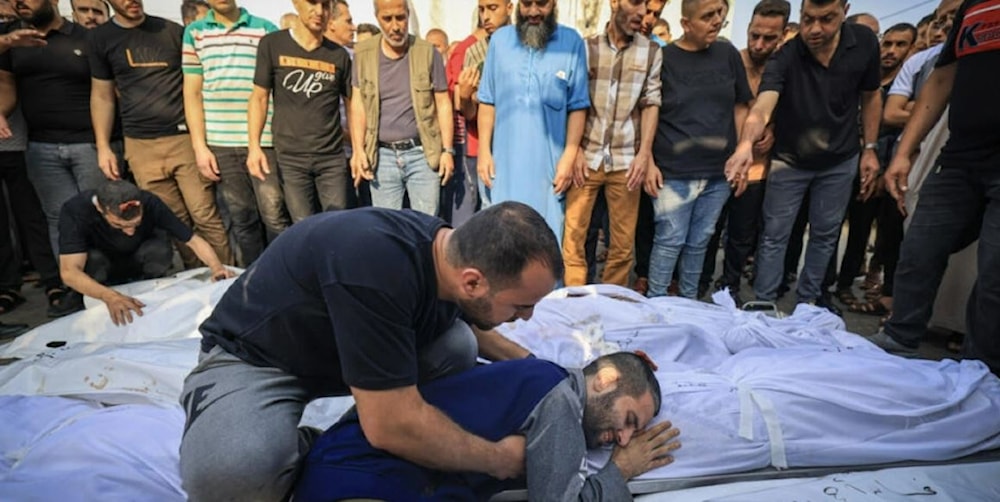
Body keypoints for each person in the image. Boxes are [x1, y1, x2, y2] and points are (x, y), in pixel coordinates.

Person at [178, 201, 562, 501]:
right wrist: (499, 459)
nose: (526, 319)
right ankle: (306, 445)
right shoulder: (376, 265)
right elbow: (390, 427)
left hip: (339, 348)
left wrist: (538, 367)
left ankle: (353, 431)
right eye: (520, 306)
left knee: (457, 344)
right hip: (257, 358)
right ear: (473, 281)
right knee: (231, 478)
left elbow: (477, 326)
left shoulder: (449, 253)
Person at [295, 353, 681, 501]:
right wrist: (622, 470)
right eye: (629, 420)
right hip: (359, 481)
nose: (625, 438)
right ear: (606, 379)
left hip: (348, 470)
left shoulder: (544, 378)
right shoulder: (560, 398)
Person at [868, 0, 1000, 374]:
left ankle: (980, 375)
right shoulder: (974, 6)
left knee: (994, 279)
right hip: (961, 155)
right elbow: (943, 77)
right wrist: (904, 152)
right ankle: (898, 339)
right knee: (919, 248)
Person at [726, 0, 882, 313]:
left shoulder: (864, 43)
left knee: (825, 233)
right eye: (808, 18)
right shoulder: (786, 55)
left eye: (826, 19)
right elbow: (763, 105)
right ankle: (764, 302)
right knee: (774, 235)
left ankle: (808, 302)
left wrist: (871, 149)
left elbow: (871, 95)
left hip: (840, 159)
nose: (814, 29)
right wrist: (745, 144)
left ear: (844, 10)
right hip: (790, 160)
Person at [89, 0, 233, 270]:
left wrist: (201, 141)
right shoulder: (100, 38)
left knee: (205, 215)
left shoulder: (171, 31)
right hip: (140, 146)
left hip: (183, 139)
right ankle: (199, 279)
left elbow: (195, 84)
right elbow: (102, 96)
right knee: (174, 221)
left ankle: (227, 276)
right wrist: (103, 146)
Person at [644, 0, 753, 299]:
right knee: (669, 240)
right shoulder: (663, 57)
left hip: (719, 173)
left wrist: (742, 153)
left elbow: (741, 106)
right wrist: (648, 161)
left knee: (700, 242)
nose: (717, 21)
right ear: (685, 24)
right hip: (673, 173)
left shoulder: (727, 53)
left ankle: (689, 304)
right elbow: (647, 111)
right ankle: (656, 304)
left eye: (719, 14)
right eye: (707, 16)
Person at [183, 0, 290, 268]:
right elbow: (192, 93)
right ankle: (254, 280)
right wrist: (200, 147)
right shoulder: (195, 32)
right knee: (243, 219)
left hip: (264, 141)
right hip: (221, 142)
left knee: (275, 215)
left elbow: (275, 89)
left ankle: (285, 275)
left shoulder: (265, 29)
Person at [562, 0, 662, 288]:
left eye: (646, 6)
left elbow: (651, 102)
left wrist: (645, 154)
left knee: (621, 246)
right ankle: (576, 302)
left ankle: (611, 307)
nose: (642, 12)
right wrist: (576, 148)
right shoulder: (585, 47)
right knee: (574, 239)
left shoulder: (652, 51)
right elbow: (574, 101)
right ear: (614, 3)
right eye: (635, 2)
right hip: (586, 158)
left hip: (627, 161)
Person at [478, 0, 589, 246]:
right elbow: (487, 100)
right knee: (501, 243)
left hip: (549, 171)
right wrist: (484, 151)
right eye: (527, 4)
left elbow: (578, 106)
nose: (534, 12)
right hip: (504, 167)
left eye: (542, 4)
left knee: (545, 245)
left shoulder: (572, 43)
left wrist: (569, 156)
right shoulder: (500, 41)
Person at [704, 0, 790, 303]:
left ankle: (729, 285)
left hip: (757, 170)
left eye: (768, 38)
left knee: (742, 235)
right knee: (709, 231)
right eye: (754, 35)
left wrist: (775, 130)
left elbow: (792, 112)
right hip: (719, 164)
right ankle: (701, 282)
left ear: (782, 36)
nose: (759, 44)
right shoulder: (731, 61)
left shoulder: (783, 70)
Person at [58, 180, 235, 326]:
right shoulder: (76, 210)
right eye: (121, 226)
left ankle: (146, 285)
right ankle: (93, 296)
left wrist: (216, 267)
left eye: (136, 224)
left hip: (139, 258)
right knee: (92, 261)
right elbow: (69, 272)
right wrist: (109, 296)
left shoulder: (150, 201)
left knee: (159, 249)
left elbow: (193, 240)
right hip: (103, 265)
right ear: (101, 209)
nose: (130, 232)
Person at [835, 22, 916, 315]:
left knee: (879, 232)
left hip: (890, 168)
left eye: (900, 45)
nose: (891, 51)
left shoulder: (909, 83)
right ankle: (835, 282)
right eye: (888, 43)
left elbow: (901, 121)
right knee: (841, 226)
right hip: (851, 162)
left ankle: (870, 290)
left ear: (911, 48)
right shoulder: (865, 80)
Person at [252, 0, 352, 223]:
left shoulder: (339, 55)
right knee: (303, 225)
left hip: (331, 158)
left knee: (338, 224)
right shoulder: (272, 44)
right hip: (290, 158)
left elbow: (352, 103)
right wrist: (254, 147)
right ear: (296, 4)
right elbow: (259, 98)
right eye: (312, 3)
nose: (319, 11)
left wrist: (360, 151)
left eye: (325, 5)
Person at [350, 0, 453, 216]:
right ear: (377, 17)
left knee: (426, 225)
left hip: (423, 154)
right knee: (387, 227)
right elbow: (358, 104)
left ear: (407, 15)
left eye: (401, 17)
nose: (395, 26)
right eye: (387, 19)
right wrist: (358, 150)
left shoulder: (427, 52)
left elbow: (443, 103)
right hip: (382, 156)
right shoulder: (363, 54)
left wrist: (447, 150)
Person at [454, 0, 512, 212]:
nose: (485, 16)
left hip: (525, 145)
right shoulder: (474, 53)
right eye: (481, 9)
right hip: (490, 147)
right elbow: (471, 114)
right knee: (492, 212)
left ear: (509, 8)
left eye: (492, 8)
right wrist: (466, 97)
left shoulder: (528, 46)